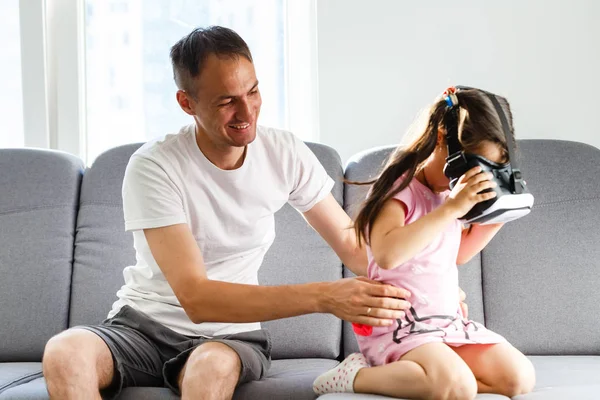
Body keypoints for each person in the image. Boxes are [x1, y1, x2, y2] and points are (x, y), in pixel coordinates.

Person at [40, 25, 416, 400]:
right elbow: (197, 298)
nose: (246, 111)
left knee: (210, 368)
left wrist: (429, 287)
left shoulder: (284, 153)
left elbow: (353, 247)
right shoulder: (155, 166)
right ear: (187, 103)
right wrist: (324, 296)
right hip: (141, 326)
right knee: (64, 352)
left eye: (252, 91)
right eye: (226, 101)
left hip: (227, 336)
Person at [313, 87, 536, 399]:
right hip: (401, 327)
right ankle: (357, 375)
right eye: (476, 167)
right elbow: (388, 254)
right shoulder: (401, 187)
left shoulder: (450, 192)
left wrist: (497, 215)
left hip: (447, 323)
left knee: (519, 378)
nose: (477, 178)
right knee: (458, 387)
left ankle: (439, 377)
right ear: (444, 138)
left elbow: (457, 254)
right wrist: (452, 209)